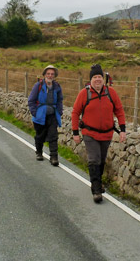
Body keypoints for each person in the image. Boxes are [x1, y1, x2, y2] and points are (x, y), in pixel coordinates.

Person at [72, 64, 126, 203]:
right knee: (93, 159)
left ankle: (98, 181)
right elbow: (75, 112)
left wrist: (123, 130)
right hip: (89, 133)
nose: (97, 79)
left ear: (103, 79)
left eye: (99, 77)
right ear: (90, 80)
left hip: (107, 134)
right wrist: (75, 132)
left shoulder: (111, 92)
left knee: (101, 160)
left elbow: (119, 111)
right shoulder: (84, 93)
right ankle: (96, 189)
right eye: (95, 77)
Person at [28, 65, 63, 166]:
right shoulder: (38, 86)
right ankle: (39, 152)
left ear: (54, 76)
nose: (50, 75)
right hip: (40, 116)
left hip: (52, 115)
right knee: (40, 136)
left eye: (52, 74)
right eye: (48, 74)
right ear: (44, 75)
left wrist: (59, 111)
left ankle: (54, 157)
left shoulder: (57, 86)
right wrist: (35, 113)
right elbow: (31, 100)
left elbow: (60, 100)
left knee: (53, 136)